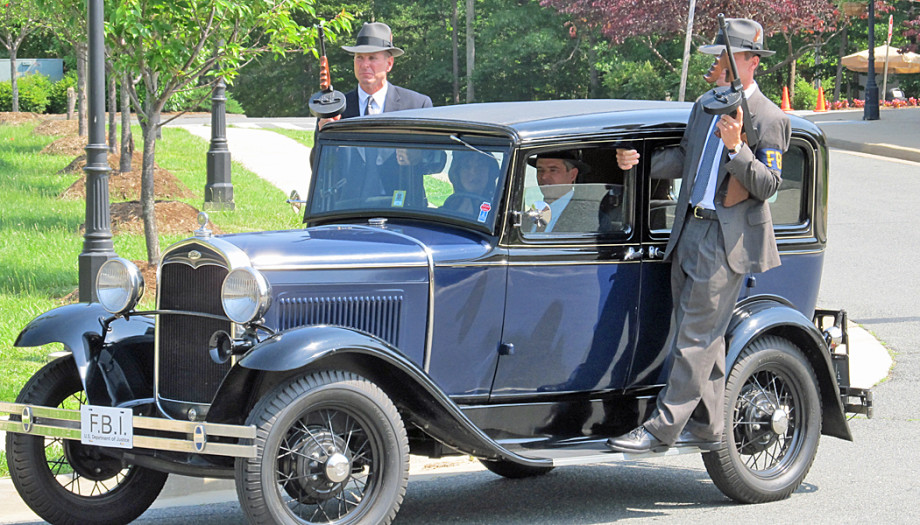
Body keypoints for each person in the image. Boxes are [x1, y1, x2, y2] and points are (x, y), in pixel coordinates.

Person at [606, 18, 790, 453]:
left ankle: (661, 430)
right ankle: (709, 428)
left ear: (748, 61)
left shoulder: (768, 116)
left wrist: (736, 148)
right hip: (689, 228)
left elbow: (767, 186)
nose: (719, 65)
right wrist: (641, 163)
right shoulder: (706, 103)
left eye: (725, 57)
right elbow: (687, 159)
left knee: (696, 338)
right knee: (702, 338)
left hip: (728, 244)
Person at [317, 22, 432, 131]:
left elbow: (431, 151)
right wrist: (326, 133)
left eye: (372, 58)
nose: (364, 65)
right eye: (359, 57)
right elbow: (319, 151)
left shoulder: (416, 106)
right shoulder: (334, 110)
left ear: (389, 63)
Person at [527, 151, 595, 233]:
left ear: (572, 175)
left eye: (553, 170)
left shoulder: (589, 218)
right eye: (540, 170)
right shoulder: (525, 217)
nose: (544, 177)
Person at [441, 152, 500, 219]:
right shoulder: (447, 207)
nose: (474, 172)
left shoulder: (497, 214)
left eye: (481, 166)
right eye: (467, 166)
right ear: (457, 172)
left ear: (490, 173)